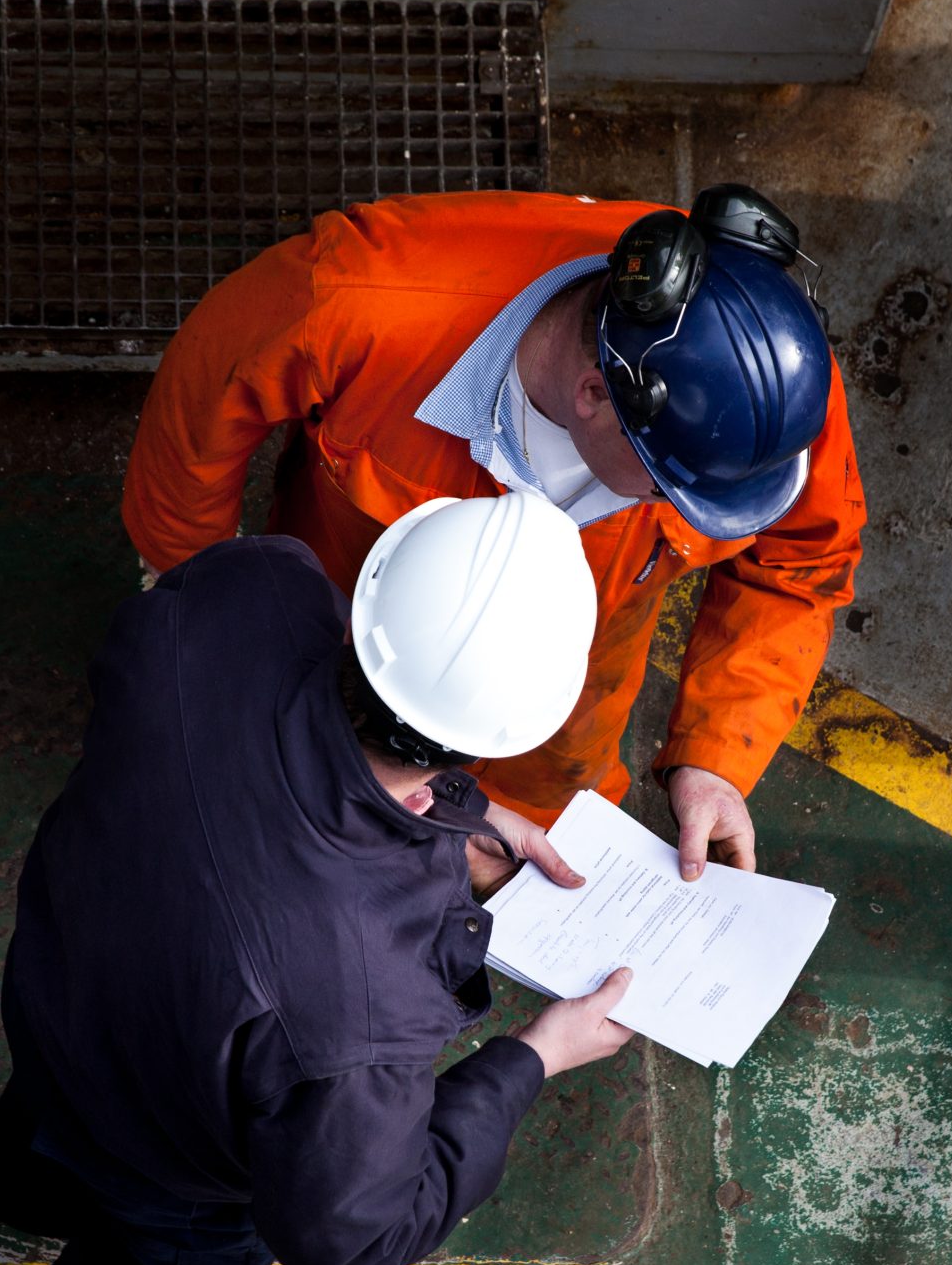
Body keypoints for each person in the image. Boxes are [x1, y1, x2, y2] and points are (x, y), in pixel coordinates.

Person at [0, 493, 638, 1265]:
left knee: (33, 1142)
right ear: (506, 735)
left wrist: (450, 816)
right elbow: (351, 1234)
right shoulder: (363, 999)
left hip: (56, 1009)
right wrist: (534, 1056)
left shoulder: (250, 587)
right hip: (178, 1175)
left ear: (362, 612)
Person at [123, 184, 865, 883]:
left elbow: (804, 562)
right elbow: (196, 422)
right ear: (595, 394)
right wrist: (215, 629)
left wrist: (714, 756)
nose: (681, 508)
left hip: (561, 737)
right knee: (301, 833)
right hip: (355, 659)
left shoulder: (768, 389)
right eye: (667, 488)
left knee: (534, 855)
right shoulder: (351, 300)